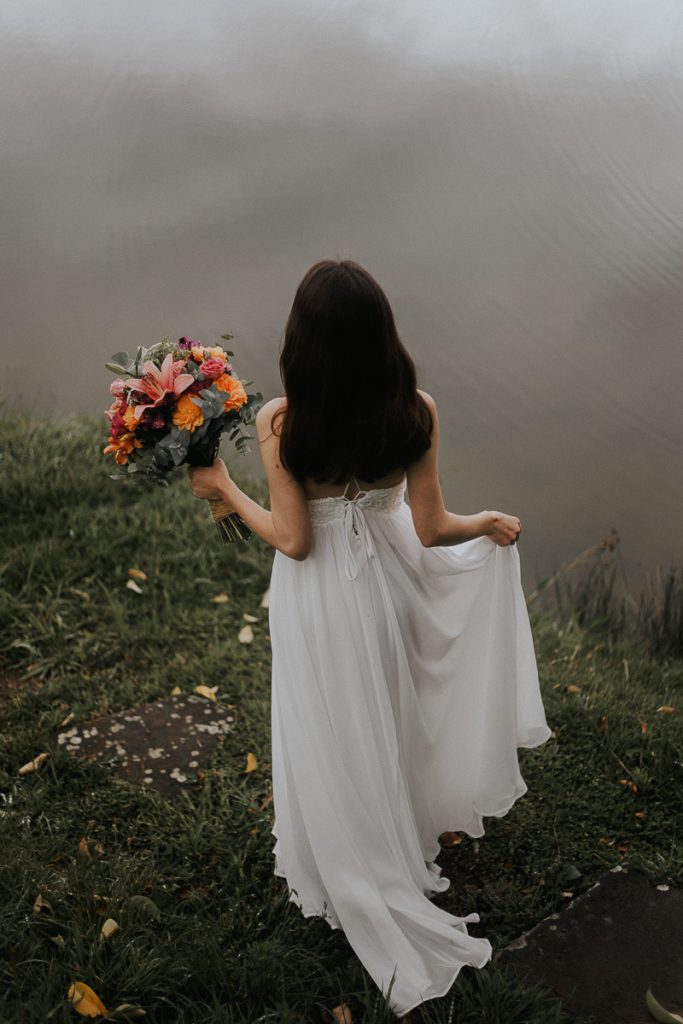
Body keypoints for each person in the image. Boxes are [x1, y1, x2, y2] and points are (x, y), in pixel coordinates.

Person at [187, 258, 552, 1020]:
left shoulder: (281, 422)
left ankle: (350, 853)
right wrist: (482, 522)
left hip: (319, 601)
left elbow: (293, 541)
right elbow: (429, 527)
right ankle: (397, 833)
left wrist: (224, 491)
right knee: (389, 712)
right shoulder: (414, 410)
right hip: (392, 590)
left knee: (327, 723)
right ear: (382, 336)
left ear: (302, 344)